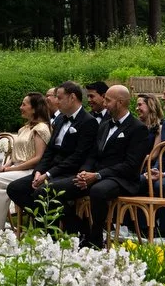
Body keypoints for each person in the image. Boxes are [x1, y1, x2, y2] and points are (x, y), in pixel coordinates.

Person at [67, 85, 154, 247]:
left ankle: (96, 238)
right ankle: (79, 231)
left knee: (98, 190)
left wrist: (97, 175)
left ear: (120, 102)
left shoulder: (137, 128)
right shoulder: (105, 125)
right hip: (99, 175)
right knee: (62, 187)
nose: (105, 104)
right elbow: (92, 154)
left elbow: (130, 165)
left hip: (123, 179)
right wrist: (84, 172)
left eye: (108, 100)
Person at [7, 82, 100, 221]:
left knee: (43, 191)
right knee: (15, 188)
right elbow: (49, 150)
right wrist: (39, 171)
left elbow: (78, 156)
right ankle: (49, 223)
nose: (56, 101)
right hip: (52, 169)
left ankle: (69, 226)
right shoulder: (60, 119)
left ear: (72, 97)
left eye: (59, 97)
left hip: (70, 172)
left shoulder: (88, 122)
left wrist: (49, 174)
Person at [0, 91, 53, 240]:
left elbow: (38, 158)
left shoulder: (41, 129)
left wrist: (9, 169)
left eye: (24, 104)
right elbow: (14, 155)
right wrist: (4, 167)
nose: (21, 107)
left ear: (34, 108)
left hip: (29, 171)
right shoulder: (24, 128)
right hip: (16, 168)